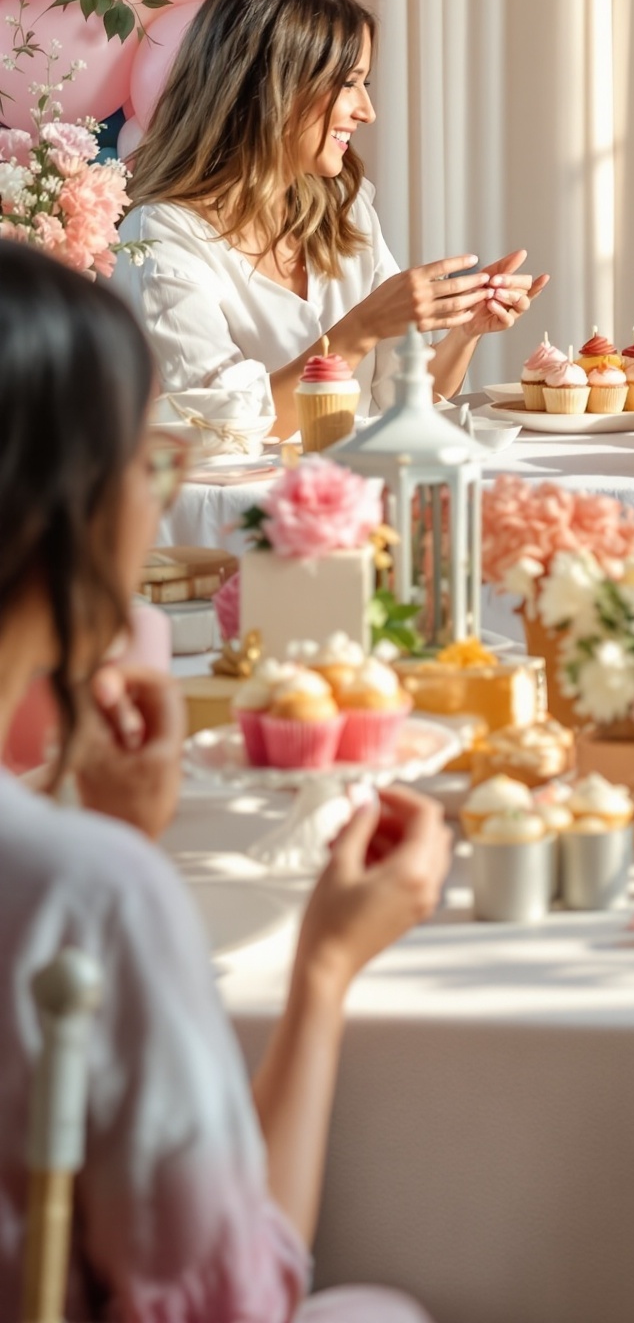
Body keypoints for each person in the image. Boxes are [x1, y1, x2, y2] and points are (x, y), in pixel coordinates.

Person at [0, 240, 453, 1322]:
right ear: (59, 508)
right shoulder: (86, 892)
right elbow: (231, 1302)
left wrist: (118, 832)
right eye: (148, 462)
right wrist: (326, 969)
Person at [122, 0, 548, 440]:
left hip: (356, 495)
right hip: (244, 512)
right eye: (348, 83)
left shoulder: (345, 209)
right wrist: (361, 328)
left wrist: (466, 330)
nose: (367, 111)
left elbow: (401, 396)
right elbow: (223, 426)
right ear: (271, 87)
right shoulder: (158, 236)